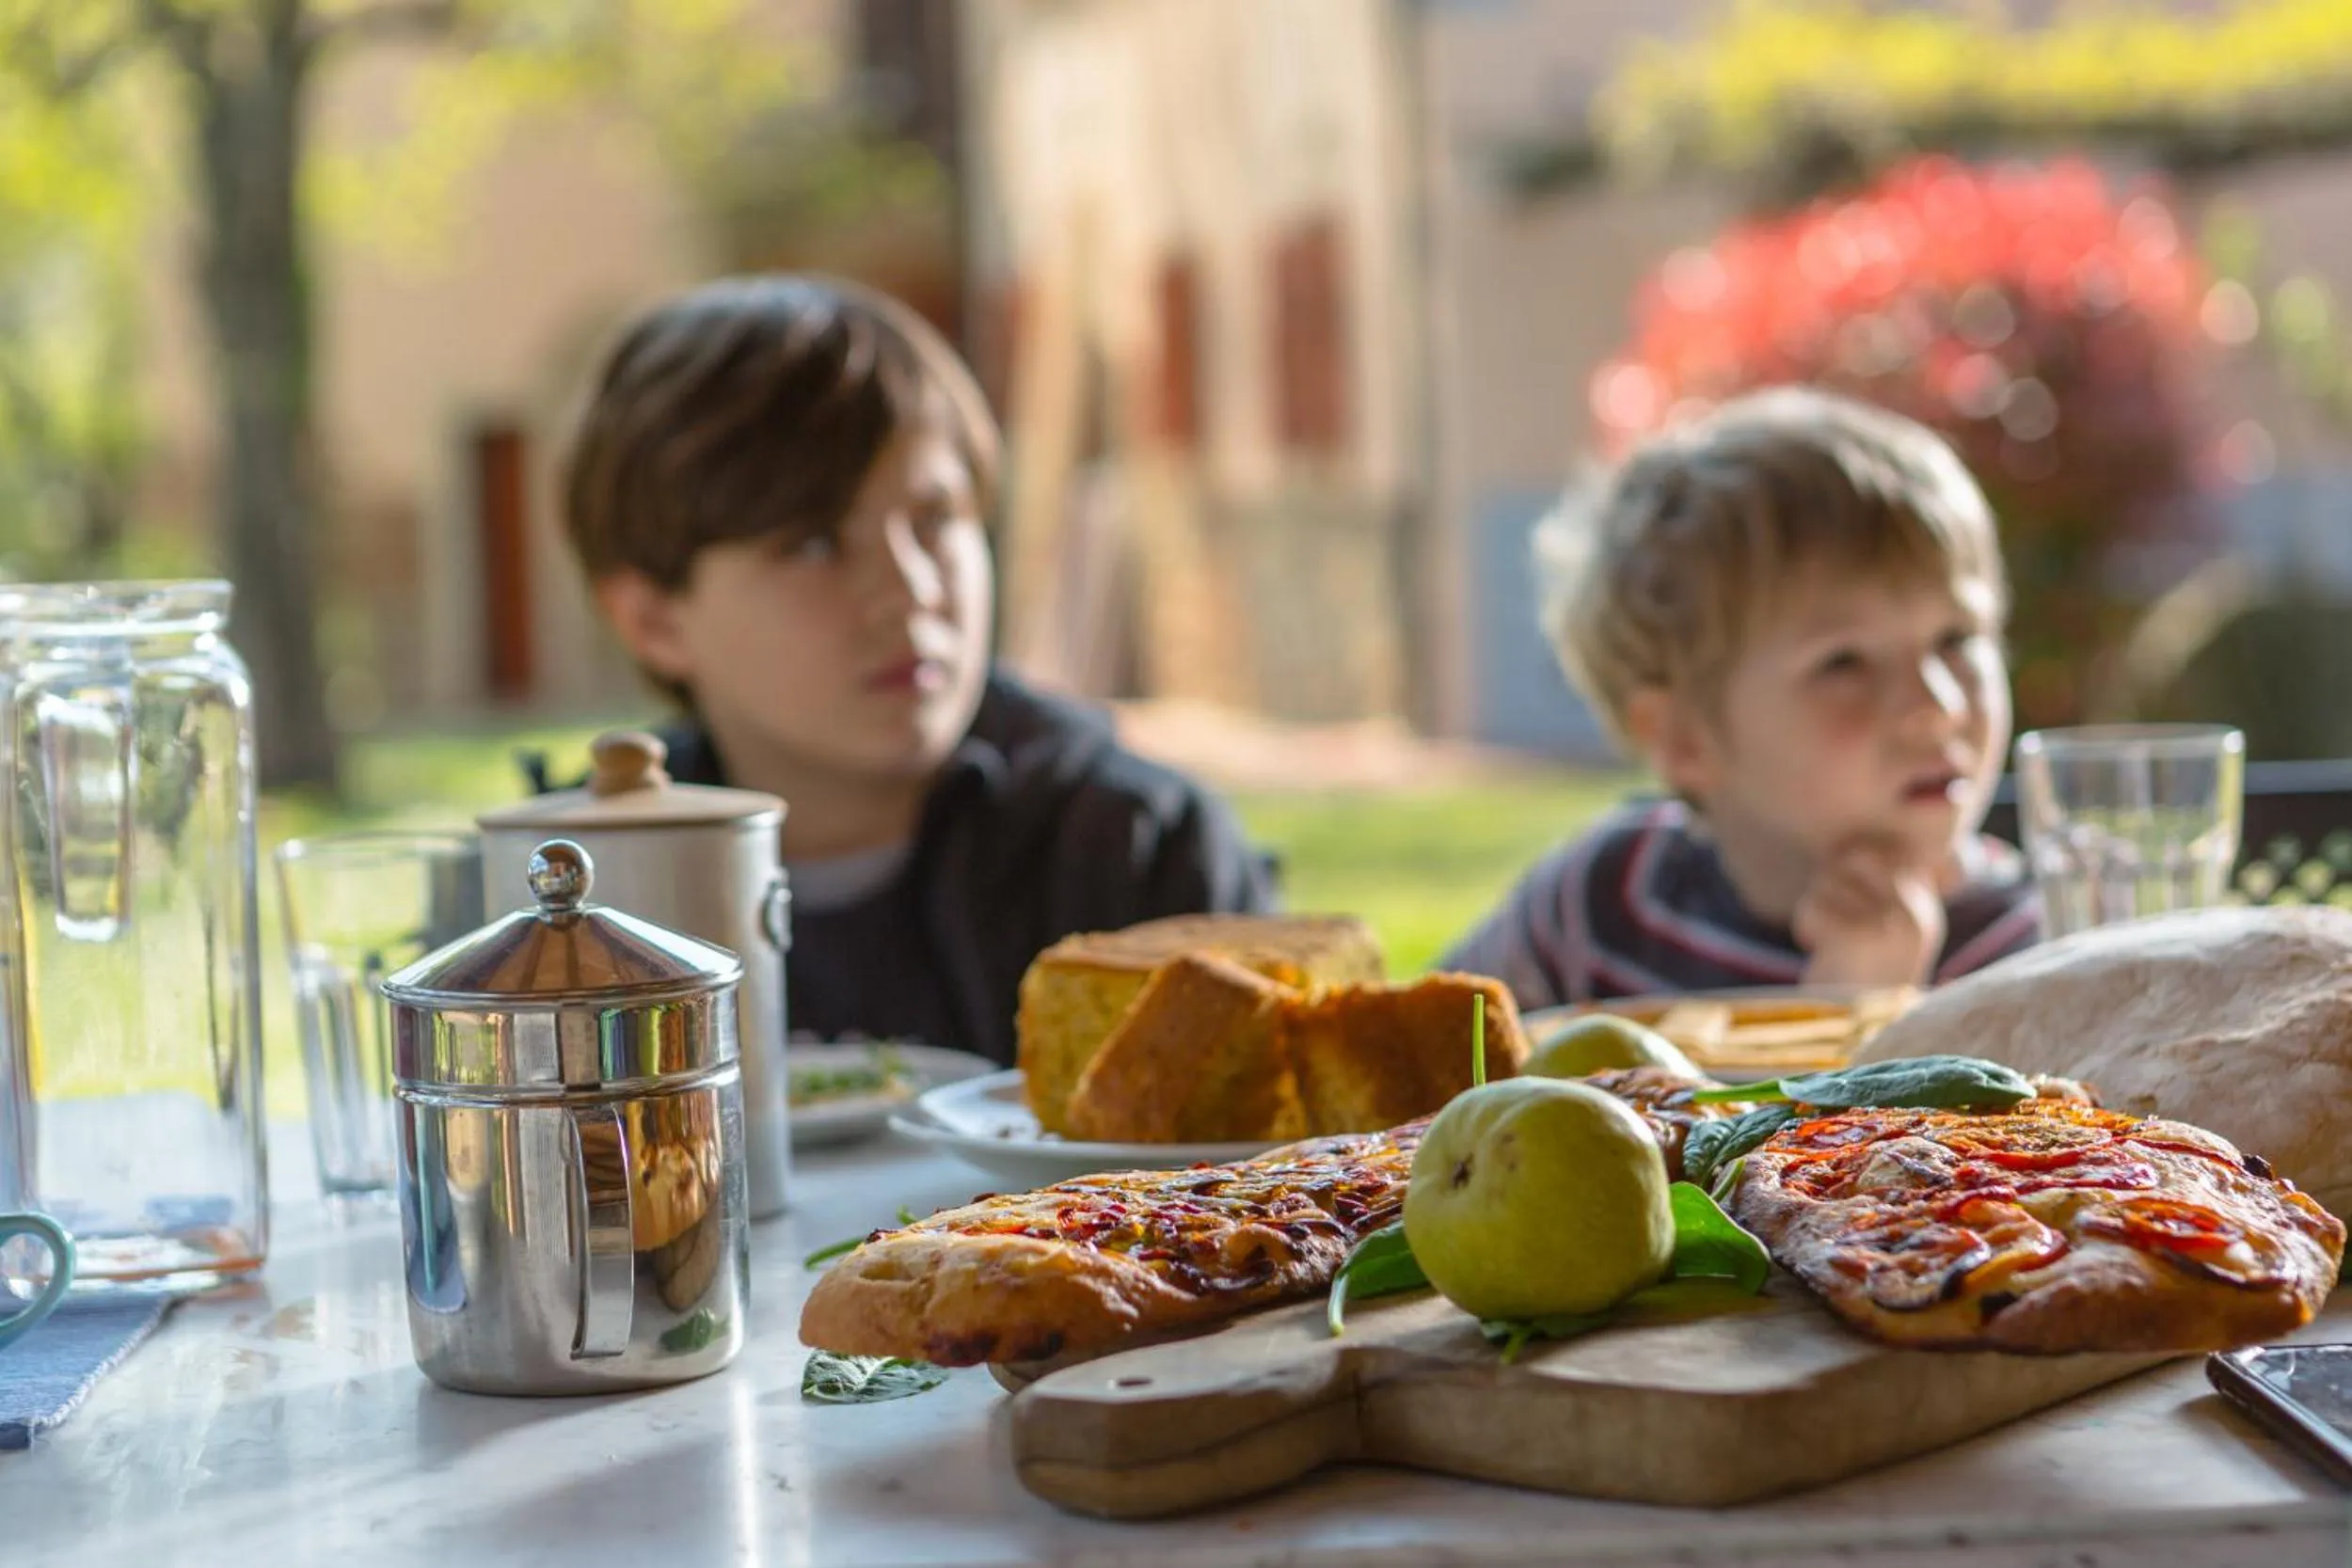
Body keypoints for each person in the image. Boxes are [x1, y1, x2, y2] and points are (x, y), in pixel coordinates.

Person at [557, 274, 1275, 1064]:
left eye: (935, 520)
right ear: (654, 619)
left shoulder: (1135, 850)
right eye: (814, 543)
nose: (912, 592)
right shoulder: (571, 900)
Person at [1442, 387, 2040, 1006]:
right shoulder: (1604, 905)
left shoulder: (2028, 955)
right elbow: (1421, 1064)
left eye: (1956, 638)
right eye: (1846, 662)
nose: (1937, 704)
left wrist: (1868, 1009)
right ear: (1685, 738)